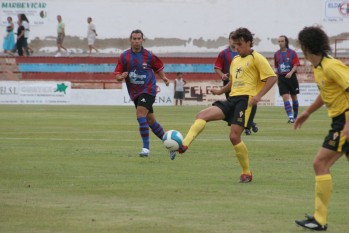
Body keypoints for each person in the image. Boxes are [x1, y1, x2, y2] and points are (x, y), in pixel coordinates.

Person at [174, 28, 277, 182]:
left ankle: (246, 172)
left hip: (246, 101)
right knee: (202, 115)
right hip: (232, 99)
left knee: (234, 136)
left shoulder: (257, 58)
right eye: (235, 45)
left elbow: (272, 78)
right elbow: (233, 82)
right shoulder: (235, 60)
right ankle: (184, 145)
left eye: (240, 45)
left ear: (249, 42)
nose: (237, 48)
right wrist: (220, 91)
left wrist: (258, 96)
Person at [294, 26, 349, 231]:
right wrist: (308, 112)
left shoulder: (331, 66)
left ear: (307, 47)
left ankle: (319, 219)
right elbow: (326, 93)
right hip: (339, 121)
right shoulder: (319, 69)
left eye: (301, 46)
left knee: (320, 163)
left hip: (344, 121)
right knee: (321, 164)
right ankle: (319, 218)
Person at [114, 29, 171, 158]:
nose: (137, 41)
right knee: (151, 121)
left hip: (149, 89)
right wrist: (121, 76)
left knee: (140, 114)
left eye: (139, 38)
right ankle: (171, 144)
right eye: (134, 39)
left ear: (142, 40)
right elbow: (117, 75)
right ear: (130, 40)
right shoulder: (124, 56)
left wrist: (164, 78)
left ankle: (146, 148)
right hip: (135, 92)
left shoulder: (149, 55)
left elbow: (158, 67)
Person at [214, 31, 258, 135]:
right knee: (234, 107)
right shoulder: (224, 53)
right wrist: (222, 75)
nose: (234, 42)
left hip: (244, 85)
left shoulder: (247, 53)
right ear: (229, 40)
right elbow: (217, 67)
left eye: (236, 40)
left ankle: (248, 126)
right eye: (232, 39)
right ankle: (249, 124)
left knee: (247, 104)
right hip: (229, 83)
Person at [274, 35, 301, 123]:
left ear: (286, 42)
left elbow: (296, 64)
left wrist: (291, 72)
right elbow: (276, 67)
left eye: (282, 41)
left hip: (291, 77)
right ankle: (291, 117)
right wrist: (277, 79)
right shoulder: (276, 54)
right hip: (282, 78)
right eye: (279, 41)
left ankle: (295, 116)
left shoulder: (292, 53)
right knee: (285, 97)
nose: (280, 43)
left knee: (294, 97)